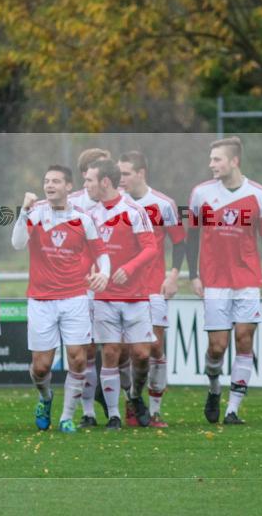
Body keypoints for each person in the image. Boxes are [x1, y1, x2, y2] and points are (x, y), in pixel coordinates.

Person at [187, 137, 262, 425]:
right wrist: (193, 275)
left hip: (247, 280)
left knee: (244, 339)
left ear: (234, 161)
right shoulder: (201, 194)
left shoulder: (260, 195)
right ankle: (214, 389)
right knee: (217, 347)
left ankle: (233, 409)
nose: (211, 164)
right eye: (211, 159)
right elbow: (191, 236)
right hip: (214, 280)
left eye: (217, 159)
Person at [12, 165, 110, 432]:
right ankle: (45, 398)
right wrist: (22, 212)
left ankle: (67, 416)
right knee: (41, 367)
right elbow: (18, 243)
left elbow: (101, 252)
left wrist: (105, 273)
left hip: (74, 297)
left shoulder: (83, 217)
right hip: (41, 300)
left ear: (69, 186)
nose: (50, 185)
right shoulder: (35, 212)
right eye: (46, 181)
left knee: (78, 358)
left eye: (56, 181)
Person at [85, 158, 158, 429]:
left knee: (140, 354)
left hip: (136, 295)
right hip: (105, 296)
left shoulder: (134, 211)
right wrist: (88, 274)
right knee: (112, 352)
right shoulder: (90, 215)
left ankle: (135, 395)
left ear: (105, 182)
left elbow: (150, 248)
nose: (86, 186)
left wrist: (128, 268)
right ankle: (114, 415)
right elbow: (85, 253)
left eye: (90, 180)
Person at [118, 151, 186, 427]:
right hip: (121, 289)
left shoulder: (163, 204)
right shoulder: (113, 204)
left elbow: (180, 242)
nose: (120, 180)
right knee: (124, 351)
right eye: (118, 174)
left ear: (141, 173)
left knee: (154, 348)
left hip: (153, 287)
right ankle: (131, 402)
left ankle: (155, 410)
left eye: (125, 174)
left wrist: (173, 275)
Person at [67, 148, 115, 426]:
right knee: (85, 350)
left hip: (112, 286)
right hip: (80, 286)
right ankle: (88, 412)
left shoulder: (118, 202)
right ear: (87, 174)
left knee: (115, 349)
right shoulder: (71, 203)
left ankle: (119, 403)